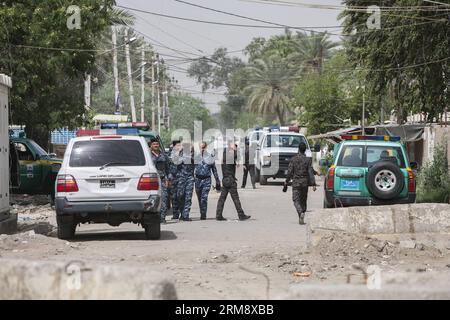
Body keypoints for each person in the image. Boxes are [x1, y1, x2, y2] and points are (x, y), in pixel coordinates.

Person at [216, 141, 251, 221]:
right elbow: (237, 156)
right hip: (230, 180)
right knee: (236, 199)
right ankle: (241, 215)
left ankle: (218, 215)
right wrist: (235, 149)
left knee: (222, 198)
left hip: (225, 179)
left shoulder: (225, 154)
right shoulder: (231, 155)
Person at [284, 142, 317, 225]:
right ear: (305, 150)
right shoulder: (307, 160)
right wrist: (313, 184)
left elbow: (290, 172)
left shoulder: (293, 159)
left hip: (296, 183)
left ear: (298, 149)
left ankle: (300, 212)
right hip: (305, 183)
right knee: (303, 200)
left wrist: (286, 181)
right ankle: (301, 216)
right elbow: (310, 172)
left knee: (296, 200)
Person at [194, 142, 221, 220]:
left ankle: (203, 215)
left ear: (206, 148)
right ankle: (202, 212)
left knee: (204, 198)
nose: (202, 149)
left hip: (206, 179)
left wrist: (217, 180)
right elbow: (191, 168)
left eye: (203, 147)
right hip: (198, 179)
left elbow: (214, 170)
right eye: (201, 147)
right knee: (199, 198)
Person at [149, 139, 172, 224]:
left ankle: (162, 218)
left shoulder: (163, 155)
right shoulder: (147, 155)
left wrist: (169, 179)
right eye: (154, 144)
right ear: (151, 145)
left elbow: (168, 168)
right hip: (151, 180)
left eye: (157, 144)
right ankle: (153, 218)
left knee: (164, 198)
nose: (156, 145)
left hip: (162, 179)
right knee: (152, 199)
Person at [171, 143, 195, 221]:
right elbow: (175, 162)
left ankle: (185, 215)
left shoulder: (193, 155)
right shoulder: (180, 155)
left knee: (188, 197)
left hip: (190, 178)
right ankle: (181, 212)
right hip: (181, 178)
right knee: (180, 196)